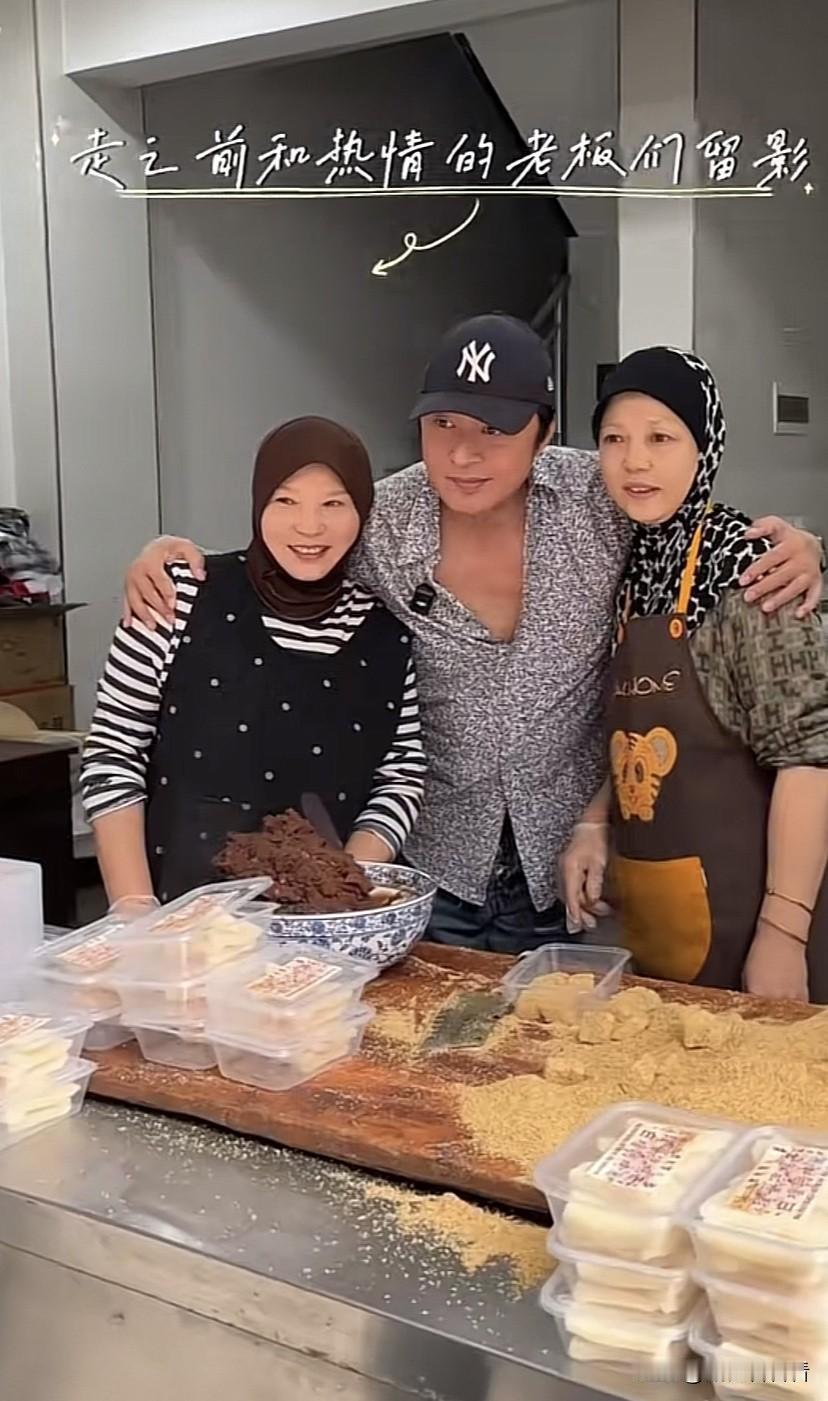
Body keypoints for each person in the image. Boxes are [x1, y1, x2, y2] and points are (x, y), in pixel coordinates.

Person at [117, 316, 824, 950]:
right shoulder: (381, 521)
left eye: (495, 430)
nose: (463, 455)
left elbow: (688, 520)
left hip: (578, 865)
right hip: (428, 859)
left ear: (545, 433)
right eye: (445, 425)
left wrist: (806, 547)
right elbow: (292, 547)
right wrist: (174, 555)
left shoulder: (597, 499)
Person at [562, 347, 828, 1000]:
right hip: (664, 921)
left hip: (758, 918)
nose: (635, 460)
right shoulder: (634, 568)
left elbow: (808, 759)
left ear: (704, 446)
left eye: (661, 438)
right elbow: (640, 741)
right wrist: (595, 821)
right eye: (614, 439)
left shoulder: (751, 567)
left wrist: (784, 933)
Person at [81, 416, 426, 909]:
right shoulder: (177, 594)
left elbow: (401, 774)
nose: (309, 526)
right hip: (182, 914)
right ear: (259, 501)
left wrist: (340, 891)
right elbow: (114, 753)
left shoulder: (387, 632)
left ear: (362, 510)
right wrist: (134, 909)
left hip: (324, 929)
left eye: (334, 503)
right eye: (285, 501)